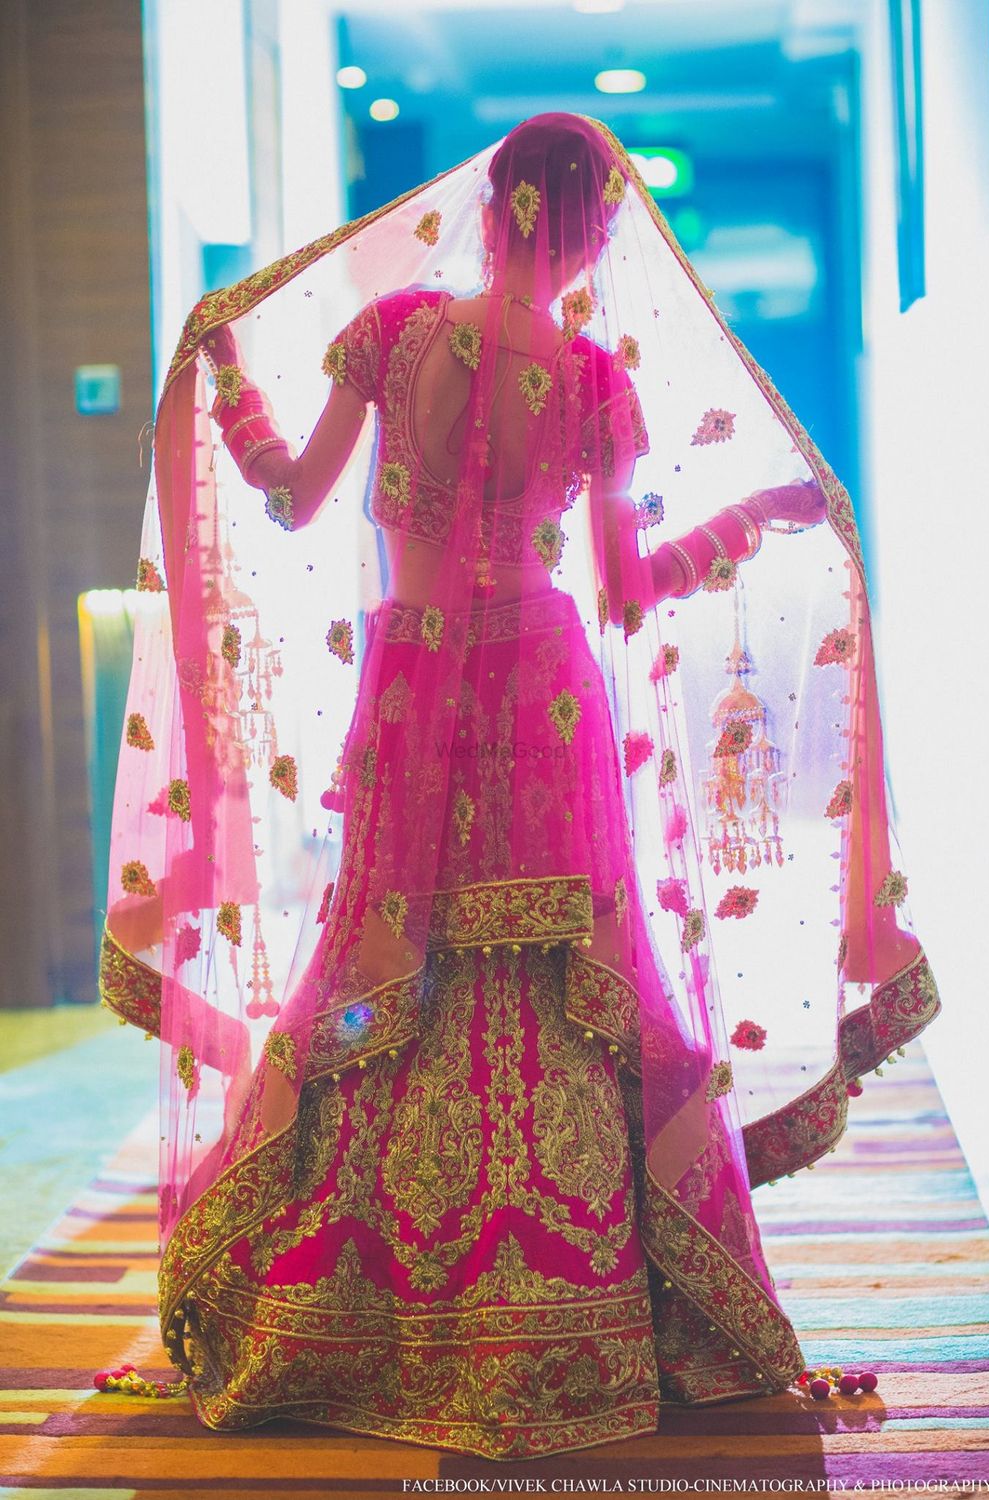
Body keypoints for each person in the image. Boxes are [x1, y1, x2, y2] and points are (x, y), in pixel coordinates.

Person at [100, 113, 940, 1460]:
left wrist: (225, 381)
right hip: (541, 686)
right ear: (579, 224)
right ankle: (581, 1299)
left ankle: (358, 1303)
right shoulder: (598, 377)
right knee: (568, 971)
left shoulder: (395, 334)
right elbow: (626, 588)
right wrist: (755, 518)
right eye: (604, 221)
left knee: (388, 959)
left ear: (496, 207)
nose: (607, 243)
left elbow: (290, 495)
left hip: (414, 683)